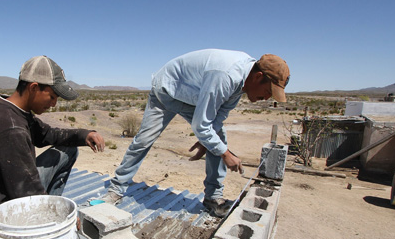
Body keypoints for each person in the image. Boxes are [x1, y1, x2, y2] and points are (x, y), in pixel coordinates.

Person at [103, 49, 290, 217]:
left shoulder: (241, 83)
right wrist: (225, 154)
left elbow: (218, 117)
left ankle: (213, 198)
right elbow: (202, 126)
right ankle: (116, 189)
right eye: (267, 92)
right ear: (258, 77)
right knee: (143, 140)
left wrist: (207, 141)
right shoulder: (225, 76)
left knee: (219, 137)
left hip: (191, 97)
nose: (266, 98)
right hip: (166, 92)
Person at [0, 55, 105, 239]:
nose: (54, 104)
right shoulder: (10, 127)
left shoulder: (10, 109)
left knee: (67, 150)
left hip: (10, 186)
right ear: (34, 87)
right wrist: (61, 220)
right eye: (53, 96)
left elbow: (49, 134)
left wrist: (85, 134)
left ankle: (45, 223)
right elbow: (26, 190)